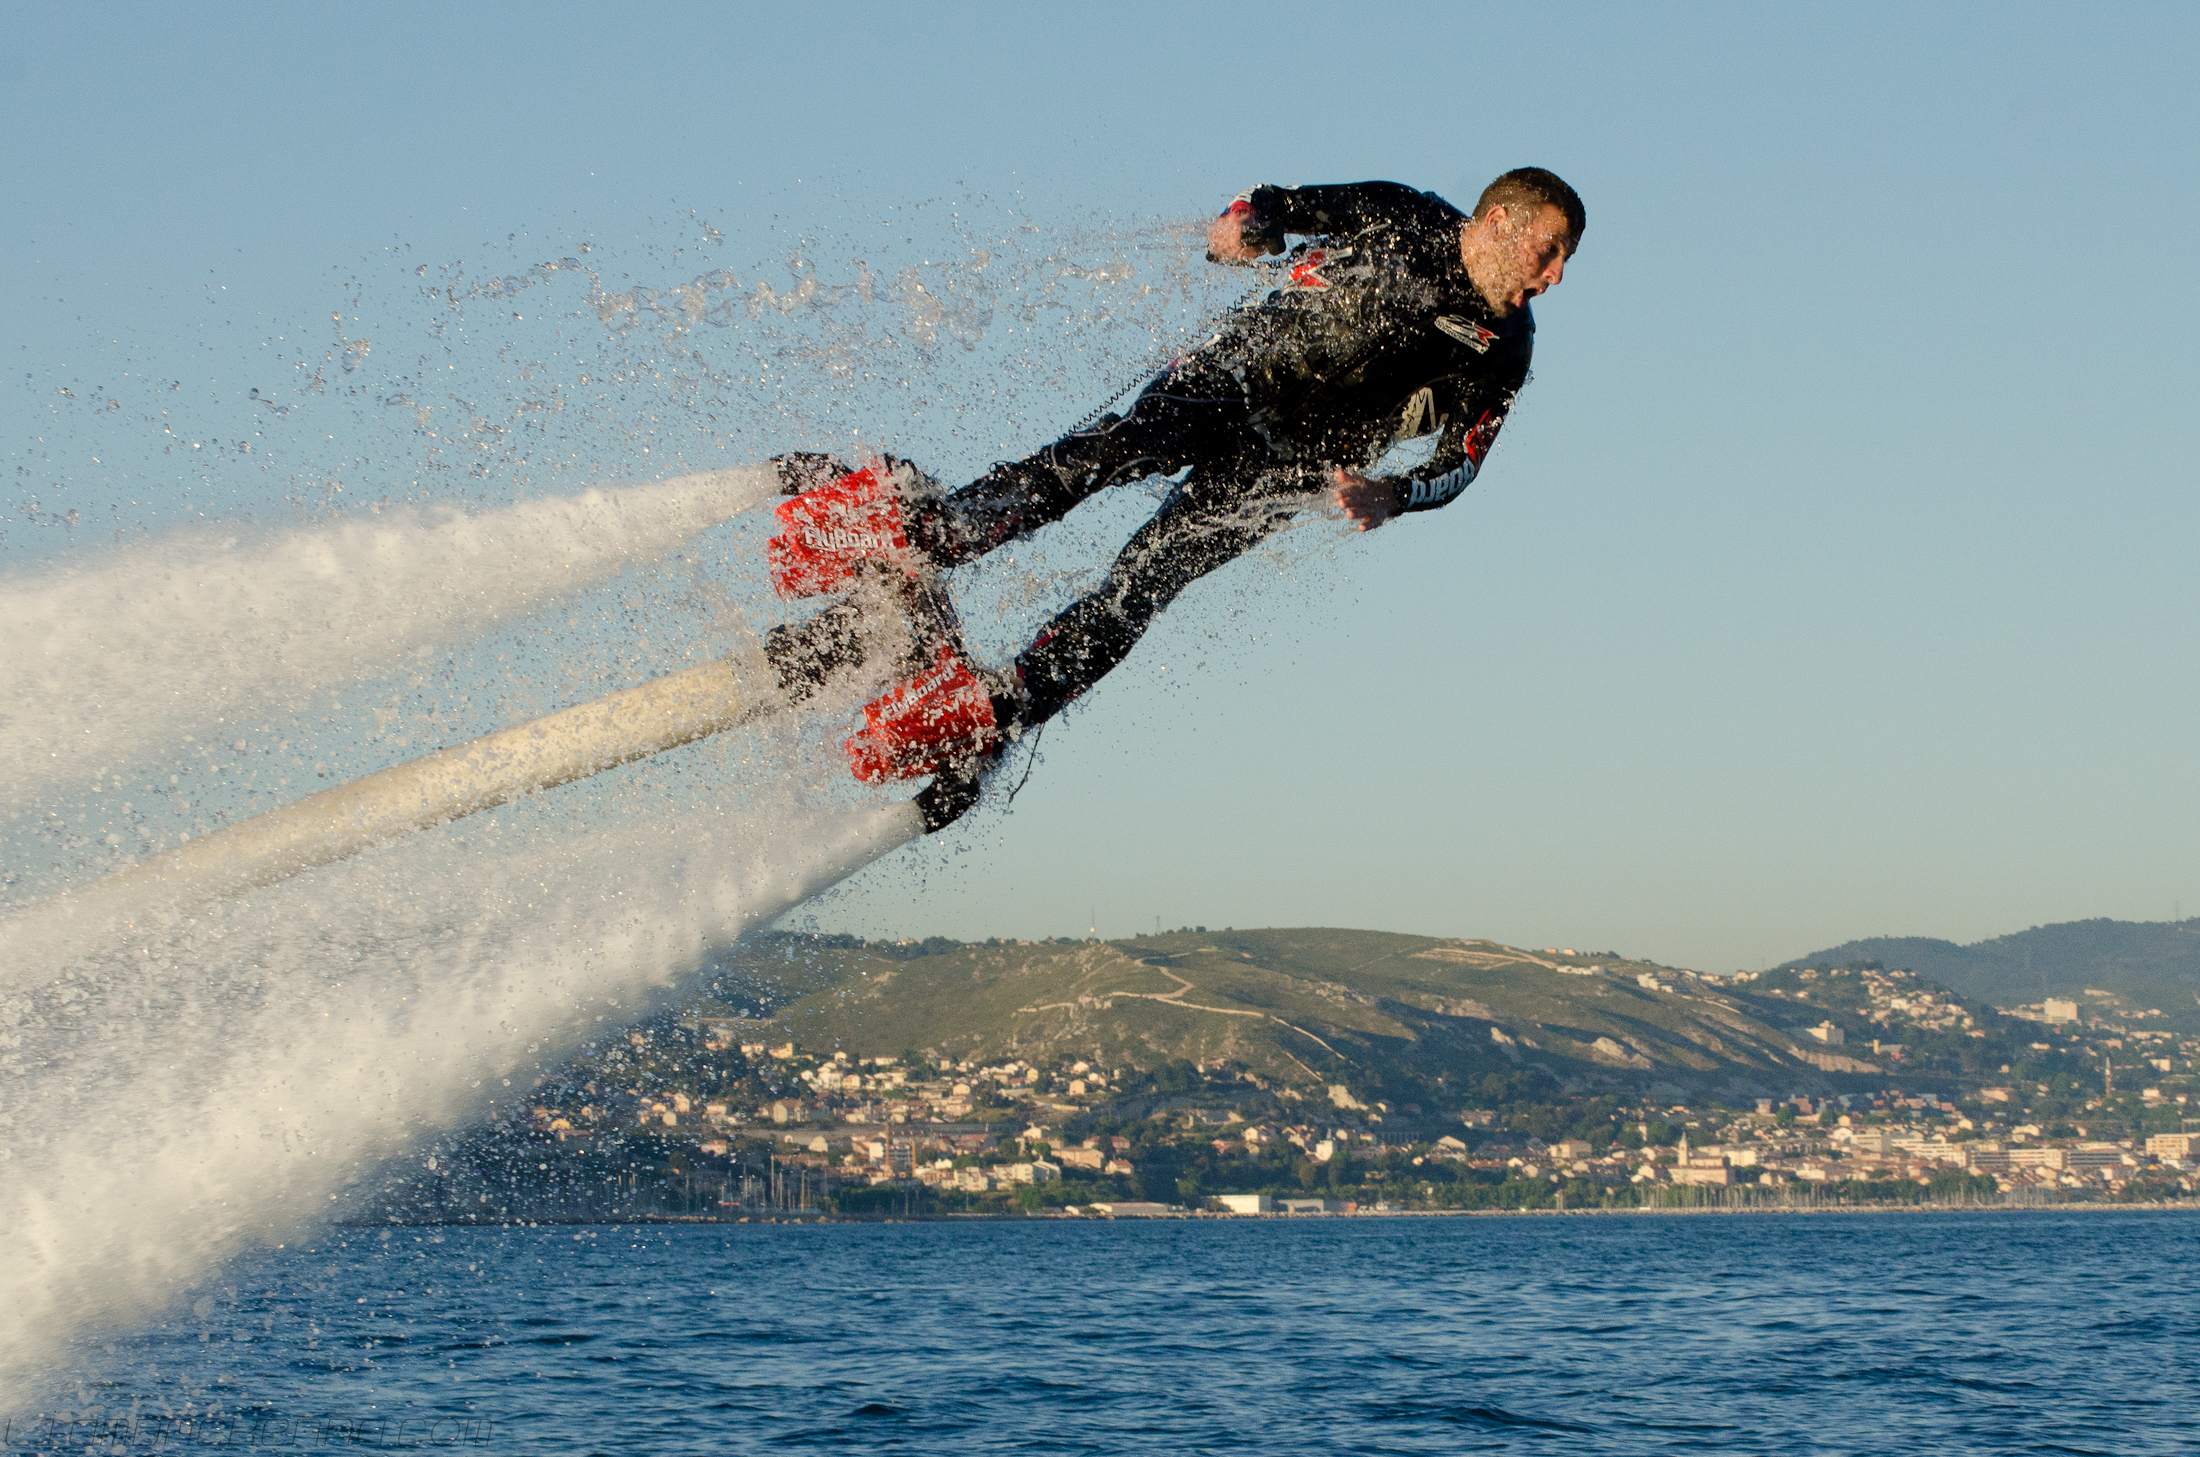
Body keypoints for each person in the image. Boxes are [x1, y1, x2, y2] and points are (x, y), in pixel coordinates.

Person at [763, 168, 1583, 830]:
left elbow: (1464, 459)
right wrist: (1245, 226)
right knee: (1109, 454)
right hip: (1238, 373)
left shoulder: (1505, 350)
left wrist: (1394, 492)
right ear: (1501, 220)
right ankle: (928, 534)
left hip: (1296, 463)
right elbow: (1278, 203)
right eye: (1549, 251)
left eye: (1564, 264)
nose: (1552, 278)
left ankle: (1001, 703)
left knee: (1147, 579)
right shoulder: (1404, 215)